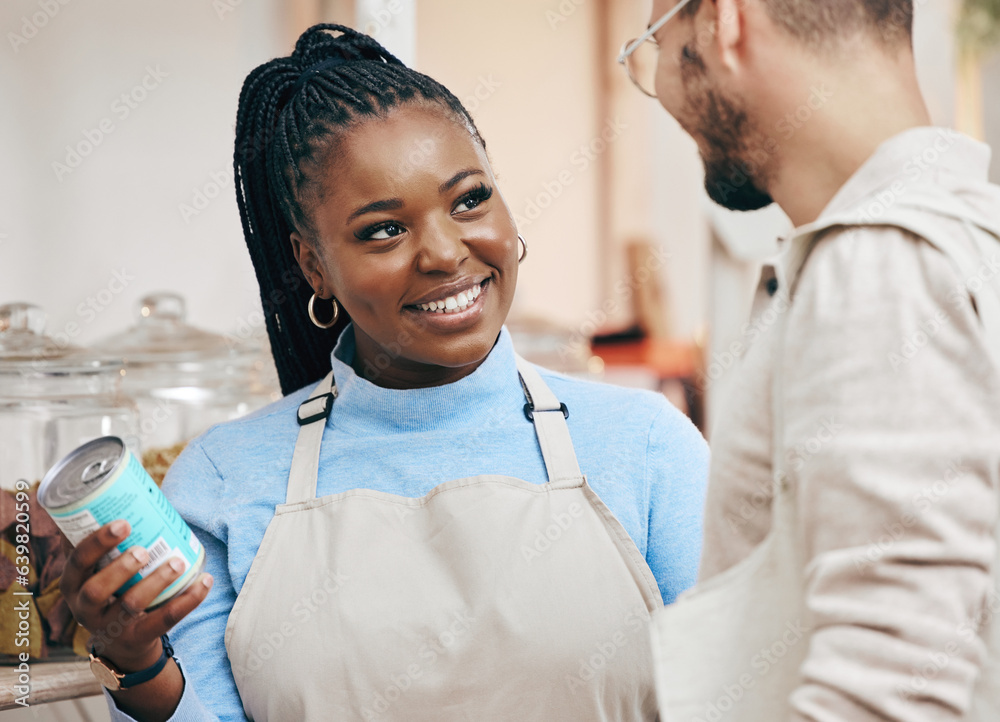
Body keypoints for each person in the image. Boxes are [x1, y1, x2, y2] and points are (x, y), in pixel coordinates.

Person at [60, 24, 710, 721]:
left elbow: (733, 696)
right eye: (382, 230)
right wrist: (135, 664)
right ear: (314, 265)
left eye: (469, 199)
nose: (443, 252)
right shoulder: (226, 476)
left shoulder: (647, 449)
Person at [618, 0, 1000, 719]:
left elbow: (889, 693)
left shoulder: (880, 261)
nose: (662, 89)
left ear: (723, 24)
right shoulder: (971, 240)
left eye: (651, 48)